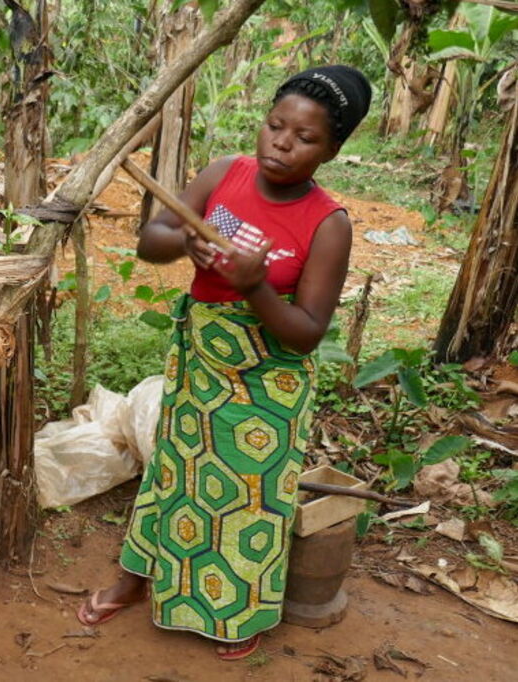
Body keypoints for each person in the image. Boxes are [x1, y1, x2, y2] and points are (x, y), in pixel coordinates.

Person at [77, 65, 372, 661]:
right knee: (173, 475)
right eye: (274, 126)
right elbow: (151, 238)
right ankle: (137, 580)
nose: (281, 144)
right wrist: (190, 239)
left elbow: (307, 334)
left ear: (332, 150)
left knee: (248, 497)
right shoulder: (223, 175)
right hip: (202, 362)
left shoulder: (328, 223)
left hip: (271, 382)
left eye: (305, 138)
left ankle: (236, 614)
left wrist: (255, 286)